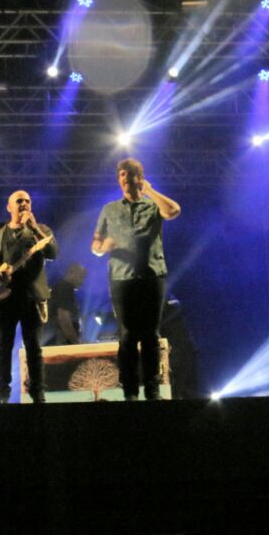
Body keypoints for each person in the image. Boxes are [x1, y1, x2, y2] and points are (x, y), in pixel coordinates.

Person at [91, 158, 181, 401]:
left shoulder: (152, 207)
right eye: (121, 174)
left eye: (130, 174)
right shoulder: (109, 209)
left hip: (152, 275)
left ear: (139, 177)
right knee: (128, 335)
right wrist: (103, 248)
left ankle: (152, 390)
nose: (125, 178)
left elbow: (173, 210)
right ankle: (129, 391)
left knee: (151, 334)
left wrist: (149, 190)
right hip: (121, 278)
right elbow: (95, 244)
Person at [0, 190, 59, 403]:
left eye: (27, 201)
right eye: (19, 201)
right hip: (3, 298)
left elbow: (52, 252)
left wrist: (34, 228)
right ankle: (2, 395)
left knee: (33, 346)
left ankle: (37, 394)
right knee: (3, 347)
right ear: (9, 207)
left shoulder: (40, 230)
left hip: (31, 297)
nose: (24, 204)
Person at [45, 263, 86, 347]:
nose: (82, 282)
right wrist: (76, 342)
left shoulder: (60, 288)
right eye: (81, 277)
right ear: (71, 272)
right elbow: (63, 318)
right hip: (60, 343)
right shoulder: (65, 289)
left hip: (54, 342)